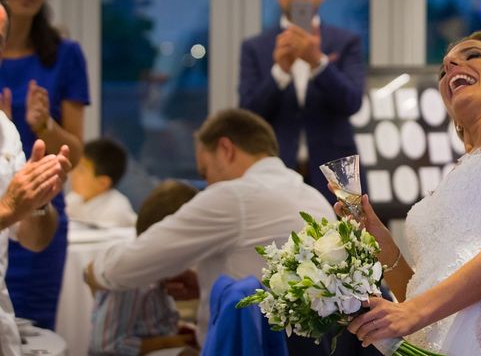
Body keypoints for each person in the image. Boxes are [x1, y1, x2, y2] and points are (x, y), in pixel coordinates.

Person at [344, 32, 481, 355]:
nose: (450, 64)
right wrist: (380, 241)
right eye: (444, 70)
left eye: (472, 55)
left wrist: (410, 313)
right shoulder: (457, 171)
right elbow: (418, 291)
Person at [85, 108, 335, 346]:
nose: (208, 183)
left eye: (205, 171)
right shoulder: (314, 198)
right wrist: (202, 284)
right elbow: (267, 278)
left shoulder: (234, 197)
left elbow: (127, 266)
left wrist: (93, 271)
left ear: (226, 149)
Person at [0, 0, 90, 329]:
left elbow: (76, 153)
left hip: (40, 212)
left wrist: (43, 127)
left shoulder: (65, 55)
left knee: (32, 331)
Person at [238, 0, 365, 198]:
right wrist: (280, 72)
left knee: (345, 237)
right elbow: (248, 114)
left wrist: (318, 62)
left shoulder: (346, 41)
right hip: (275, 175)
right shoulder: (256, 47)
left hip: (336, 176)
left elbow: (352, 102)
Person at [0, 0, 71, 356]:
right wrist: (10, 210)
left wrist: (39, 203)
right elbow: (8, 214)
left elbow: (34, 240)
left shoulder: (5, 130)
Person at [89, 180, 200, 356]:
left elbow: (148, 325)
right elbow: (104, 345)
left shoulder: (160, 274)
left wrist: (179, 330)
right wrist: (169, 342)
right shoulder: (133, 278)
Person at [66, 138, 137, 228]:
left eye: (81, 171)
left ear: (103, 183)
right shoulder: (72, 199)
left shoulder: (116, 209)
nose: (74, 174)